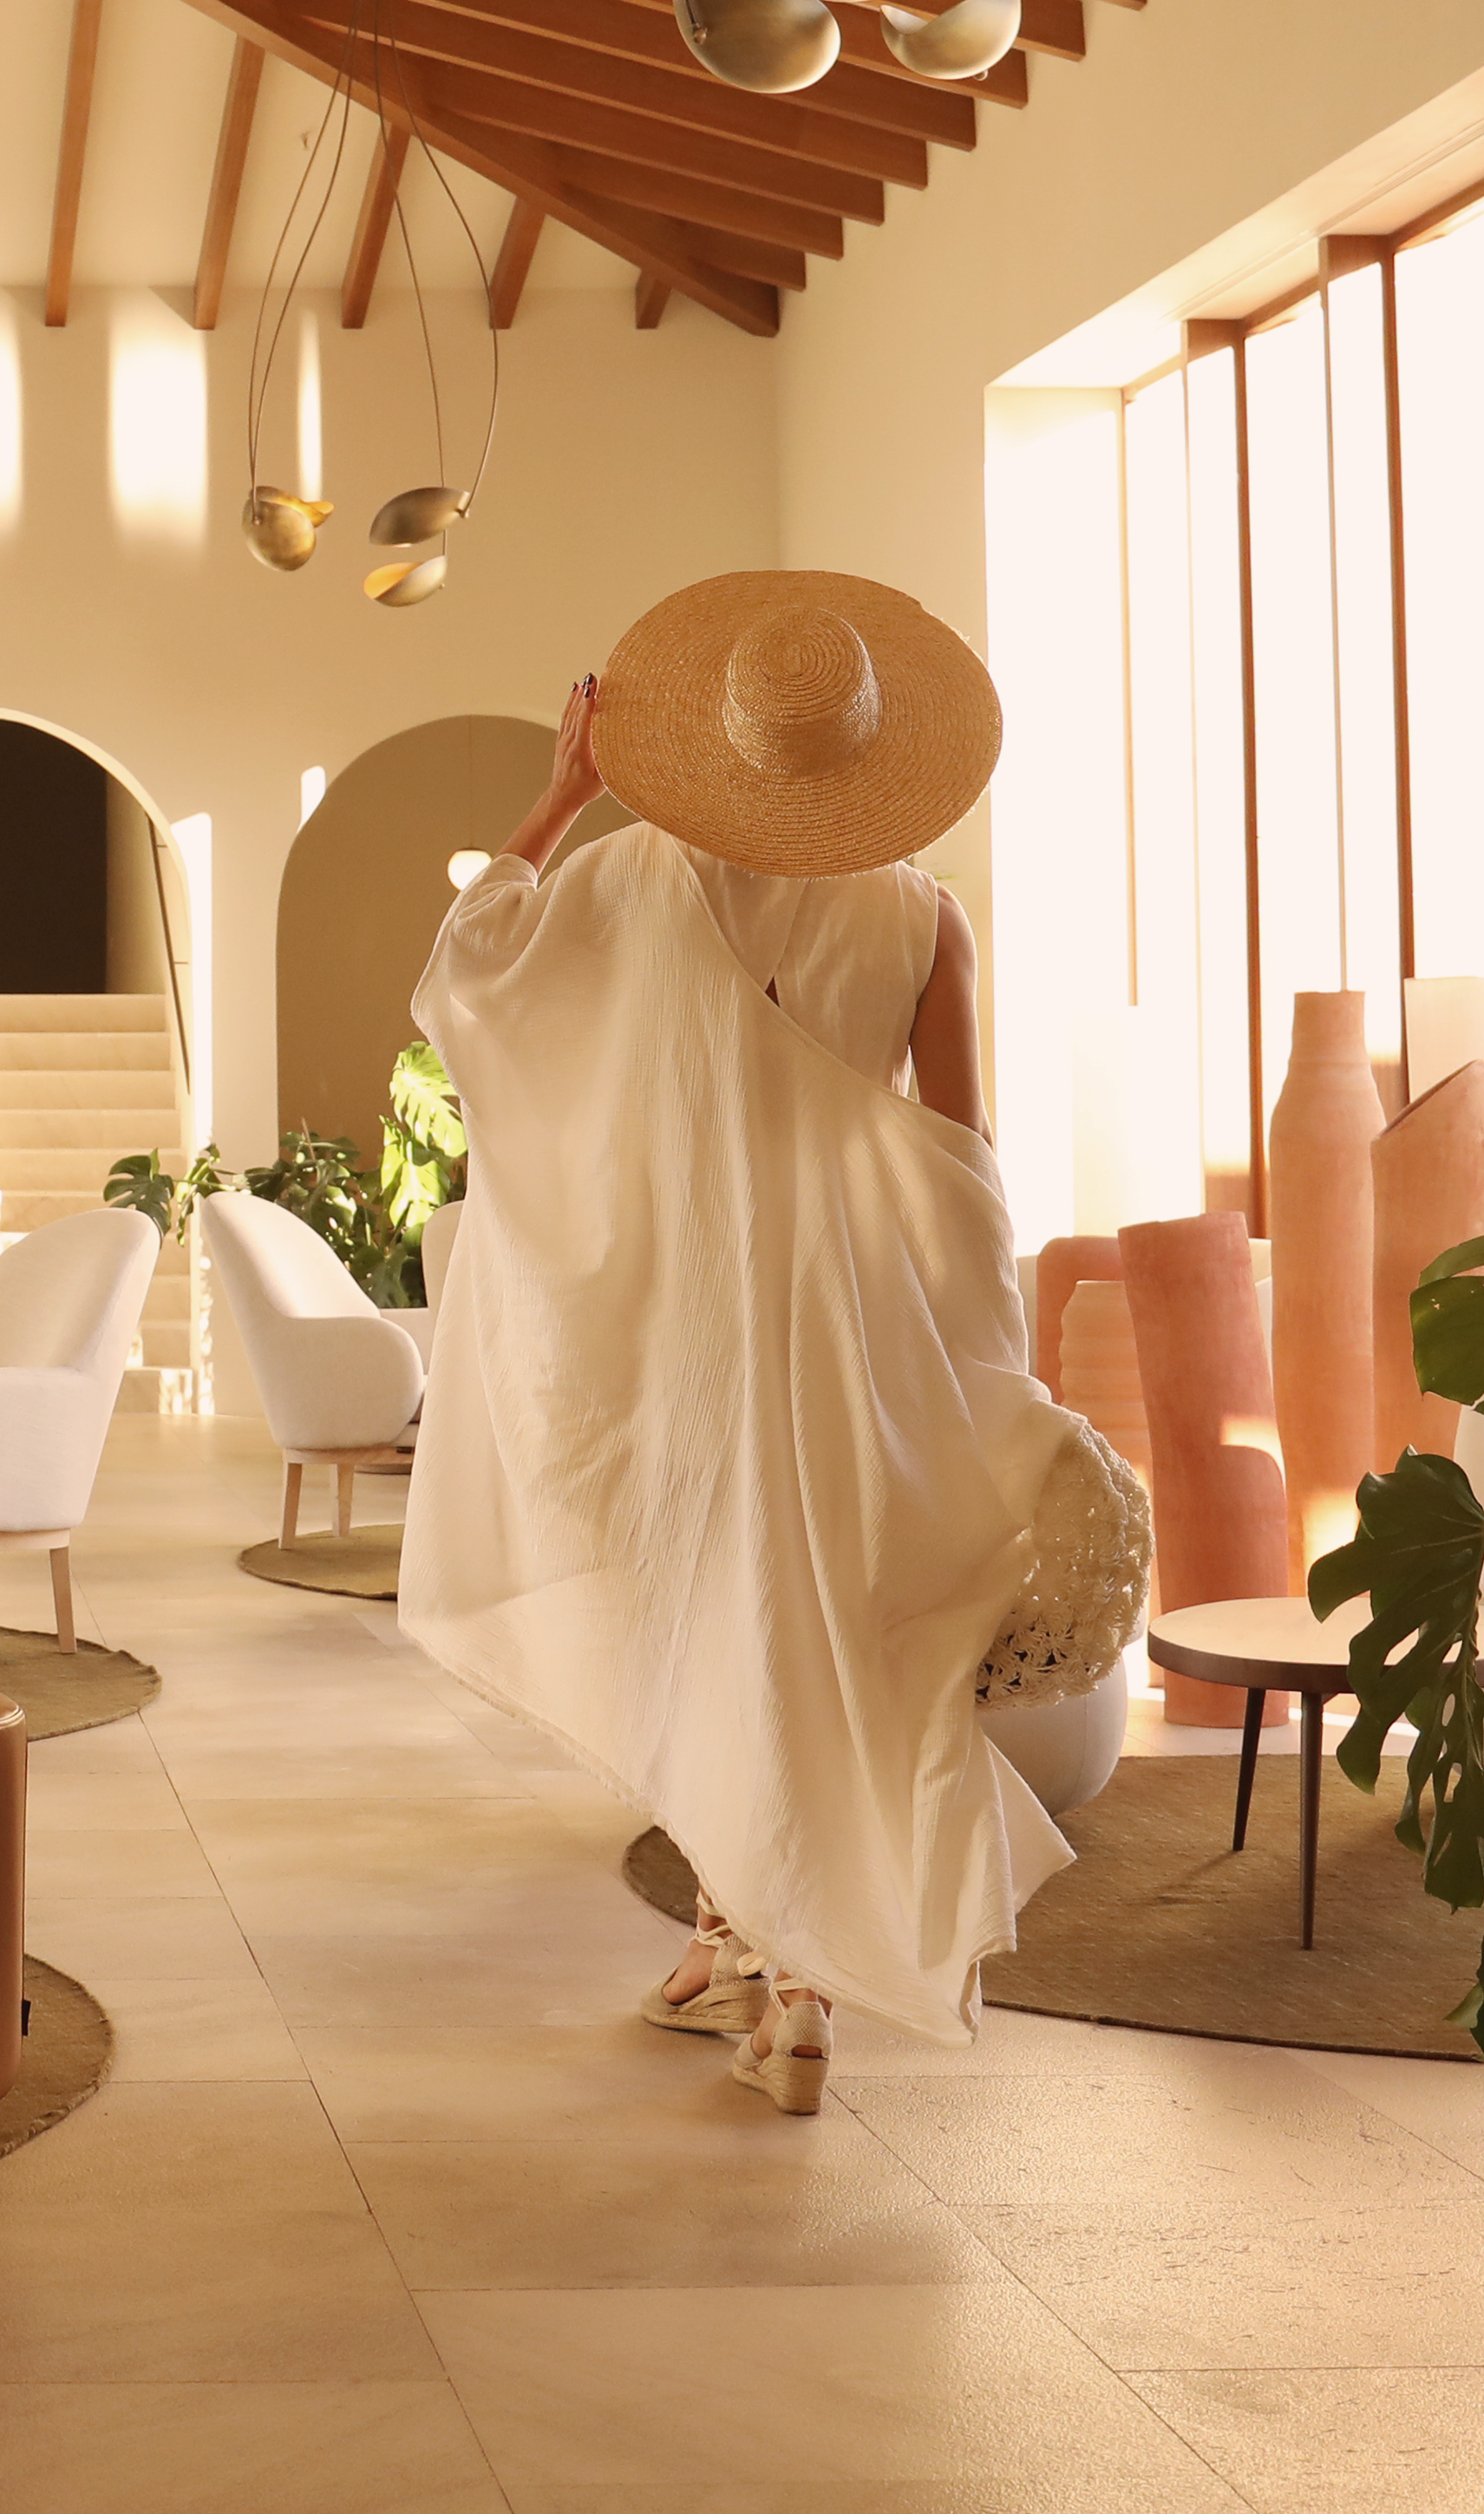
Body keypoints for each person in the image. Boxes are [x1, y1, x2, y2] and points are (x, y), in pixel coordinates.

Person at [396, 570, 1138, 2118]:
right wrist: (977, 1357)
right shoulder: (926, 915)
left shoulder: (622, 879)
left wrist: (558, 793)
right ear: (869, 757)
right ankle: (755, 1958)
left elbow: (464, 980)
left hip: (685, 1322)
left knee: (704, 1621)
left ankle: (778, 1966)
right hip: (858, 1321)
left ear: (716, 747)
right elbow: (962, 1151)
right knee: (820, 1631)